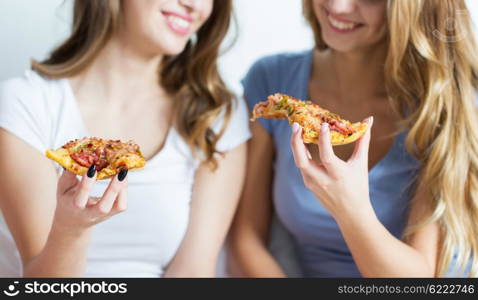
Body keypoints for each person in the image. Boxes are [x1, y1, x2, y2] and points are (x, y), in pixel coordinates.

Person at [0, 0, 250, 277]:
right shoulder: (25, 104)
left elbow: (193, 271)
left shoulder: (217, 116)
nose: (193, 4)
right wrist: (71, 231)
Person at [230, 0, 478, 277]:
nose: (338, 6)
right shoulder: (272, 81)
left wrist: (350, 209)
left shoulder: (443, 107)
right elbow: (245, 240)